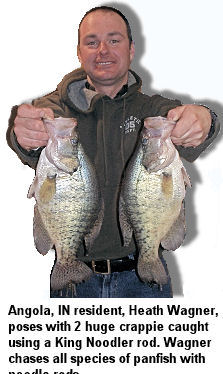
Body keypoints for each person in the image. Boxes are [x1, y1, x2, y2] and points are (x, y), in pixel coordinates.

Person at [7, 6, 219, 298]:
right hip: (75, 282)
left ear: (132, 50)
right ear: (79, 52)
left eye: (114, 40)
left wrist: (205, 118)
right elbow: (34, 130)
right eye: (92, 42)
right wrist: (25, 133)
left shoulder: (151, 110)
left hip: (143, 279)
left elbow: (191, 122)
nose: (103, 50)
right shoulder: (55, 109)